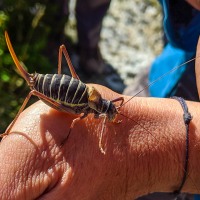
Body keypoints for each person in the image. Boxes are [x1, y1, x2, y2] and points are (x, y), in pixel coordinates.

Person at [0, 38, 200, 200]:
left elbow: (114, 105)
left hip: (75, 90)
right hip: (66, 94)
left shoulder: (104, 105)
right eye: (110, 113)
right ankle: (9, 129)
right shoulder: (93, 109)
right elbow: (77, 120)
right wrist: (100, 146)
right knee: (34, 92)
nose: (110, 114)